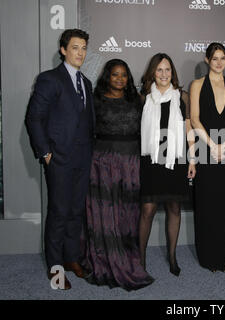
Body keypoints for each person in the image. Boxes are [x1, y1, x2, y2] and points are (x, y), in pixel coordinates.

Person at [26, 29, 94, 290]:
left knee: (76, 212)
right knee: (58, 213)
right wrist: (45, 153)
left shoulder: (86, 82)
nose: (80, 52)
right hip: (59, 158)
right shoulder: (49, 79)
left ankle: (71, 259)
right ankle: (55, 269)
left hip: (83, 156)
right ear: (63, 50)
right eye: (75, 47)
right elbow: (34, 118)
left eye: (84, 48)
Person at [80, 59, 154, 290]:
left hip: (131, 163)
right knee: (103, 214)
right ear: (107, 77)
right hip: (103, 162)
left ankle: (129, 258)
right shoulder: (95, 100)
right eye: (115, 75)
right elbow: (86, 131)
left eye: (124, 75)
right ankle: (103, 259)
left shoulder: (137, 100)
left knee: (128, 213)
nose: (120, 79)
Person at [139, 53, 196, 277]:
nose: (164, 74)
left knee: (174, 208)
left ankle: (172, 257)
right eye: (160, 70)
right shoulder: (144, 97)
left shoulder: (182, 97)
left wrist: (192, 158)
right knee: (147, 209)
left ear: (173, 73)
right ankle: (140, 260)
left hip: (176, 159)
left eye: (168, 70)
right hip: (151, 160)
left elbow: (189, 129)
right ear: (153, 72)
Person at [190, 43, 225, 272]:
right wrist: (212, 145)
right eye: (215, 58)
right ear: (207, 60)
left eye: (223, 58)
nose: (220, 62)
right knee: (207, 203)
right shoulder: (197, 85)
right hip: (205, 148)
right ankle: (210, 256)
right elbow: (194, 119)